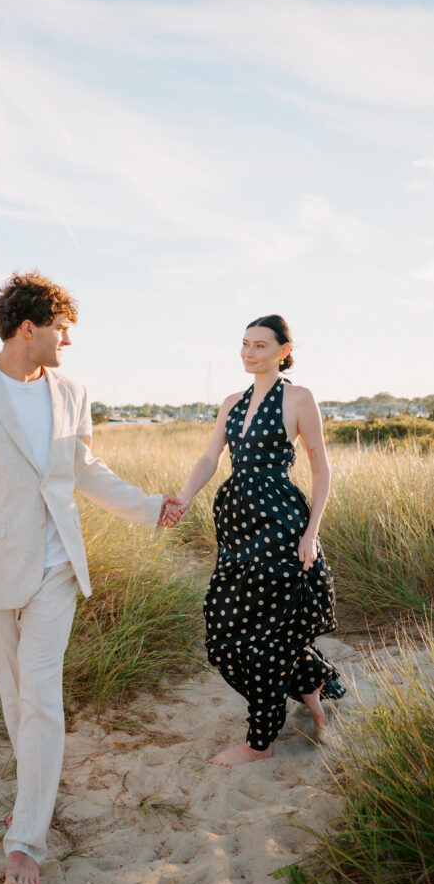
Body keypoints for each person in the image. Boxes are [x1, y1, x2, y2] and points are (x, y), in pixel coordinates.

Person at [0, 271, 183, 884]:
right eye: (61, 330)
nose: (68, 341)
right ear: (27, 328)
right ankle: (32, 791)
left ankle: (25, 840)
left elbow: (83, 468)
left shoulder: (72, 391)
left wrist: (150, 506)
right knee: (16, 696)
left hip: (58, 567)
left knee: (40, 694)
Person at [176, 315, 344, 767]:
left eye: (261, 346)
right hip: (235, 525)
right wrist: (185, 497)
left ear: (283, 351)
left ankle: (260, 742)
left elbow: (321, 468)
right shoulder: (232, 402)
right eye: (245, 344)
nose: (250, 353)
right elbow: (211, 456)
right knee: (225, 629)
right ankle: (310, 686)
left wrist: (312, 534)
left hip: (281, 525)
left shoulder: (299, 398)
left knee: (270, 632)